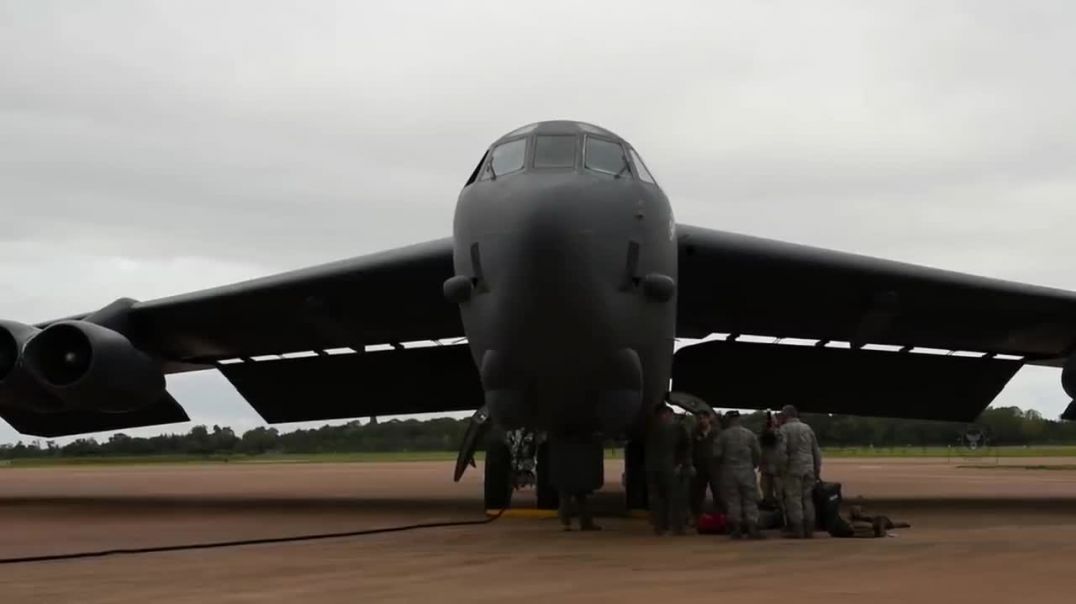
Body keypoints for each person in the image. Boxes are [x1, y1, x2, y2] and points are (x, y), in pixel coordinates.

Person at [713, 410, 763, 539]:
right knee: (750, 500)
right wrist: (754, 464)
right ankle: (752, 528)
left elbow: (716, 455)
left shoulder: (723, 436)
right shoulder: (750, 434)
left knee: (733, 501)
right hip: (747, 471)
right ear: (739, 419)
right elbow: (757, 453)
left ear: (728, 420)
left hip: (729, 472)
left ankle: (736, 529)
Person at [777, 404, 822, 539]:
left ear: (786, 415)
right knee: (807, 499)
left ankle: (798, 530)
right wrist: (817, 469)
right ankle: (809, 529)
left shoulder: (784, 429)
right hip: (808, 468)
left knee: (794, 499)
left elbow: (781, 451)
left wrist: (782, 468)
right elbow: (816, 451)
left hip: (793, 468)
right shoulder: (807, 428)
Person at [645, 405, 690, 535]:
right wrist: (682, 464)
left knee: (657, 499)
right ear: (667, 414)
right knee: (675, 498)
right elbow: (686, 446)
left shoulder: (650, 428)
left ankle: (660, 527)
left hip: (652, 469)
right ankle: (678, 527)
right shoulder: (676, 427)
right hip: (669, 468)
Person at [688, 413, 720, 520]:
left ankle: (720, 516)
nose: (701, 421)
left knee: (718, 491)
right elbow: (690, 449)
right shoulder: (694, 432)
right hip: (699, 466)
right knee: (697, 493)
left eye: (703, 418)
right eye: (699, 418)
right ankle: (696, 516)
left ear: (708, 419)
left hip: (714, 466)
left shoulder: (716, 432)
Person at [758, 412, 781, 507]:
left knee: (773, 489)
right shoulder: (774, 433)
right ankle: (770, 502)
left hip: (772, 466)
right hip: (770, 466)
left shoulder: (778, 433)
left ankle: (772, 503)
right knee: (768, 489)